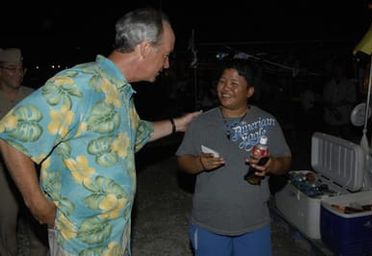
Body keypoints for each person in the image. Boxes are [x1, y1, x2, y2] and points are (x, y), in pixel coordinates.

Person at [0, 8, 200, 256]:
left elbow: (137, 133)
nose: (167, 64)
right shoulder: (79, 85)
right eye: (166, 54)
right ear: (146, 49)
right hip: (79, 242)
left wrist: (179, 124)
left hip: (115, 236)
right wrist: (37, 204)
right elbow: (12, 136)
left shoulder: (119, 91)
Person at [176, 59, 292, 256]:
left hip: (254, 223)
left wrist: (272, 164)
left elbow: (286, 161)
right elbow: (182, 160)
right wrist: (199, 163)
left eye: (234, 83)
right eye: (222, 81)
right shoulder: (201, 122)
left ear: (250, 91)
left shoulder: (267, 122)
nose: (225, 88)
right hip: (208, 222)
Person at [0, 48, 48, 256]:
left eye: (21, 69)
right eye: (12, 68)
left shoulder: (33, 96)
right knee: (5, 223)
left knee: (38, 219)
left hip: (33, 169)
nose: (18, 73)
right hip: (2, 173)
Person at [322, 58, 357, 139]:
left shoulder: (349, 84)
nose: (338, 71)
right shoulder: (328, 85)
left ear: (343, 70)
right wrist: (334, 111)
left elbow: (352, 99)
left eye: (340, 68)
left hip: (345, 119)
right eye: (336, 69)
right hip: (331, 120)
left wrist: (339, 104)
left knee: (346, 142)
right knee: (332, 142)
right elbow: (326, 101)